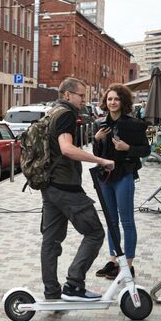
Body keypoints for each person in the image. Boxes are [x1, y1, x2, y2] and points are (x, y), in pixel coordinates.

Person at [40, 77, 115, 302]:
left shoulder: (52, 112)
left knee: (51, 241)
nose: (84, 100)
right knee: (95, 233)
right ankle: (74, 284)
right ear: (67, 95)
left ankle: (52, 293)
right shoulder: (66, 114)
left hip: (49, 186)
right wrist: (100, 160)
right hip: (66, 187)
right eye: (81, 95)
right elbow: (67, 149)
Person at [93, 84, 150, 280]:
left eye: (116, 99)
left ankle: (129, 265)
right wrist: (97, 140)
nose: (112, 102)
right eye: (109, 99)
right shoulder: (101, 124)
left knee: (127, 221)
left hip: (124, 176)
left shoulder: (134, 124)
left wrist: (127, 148)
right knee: (111, 222)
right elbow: (97, 155)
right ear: (105, 102)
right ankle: (113, 261)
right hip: (105, 178)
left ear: (123, 101)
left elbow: (145, 151)